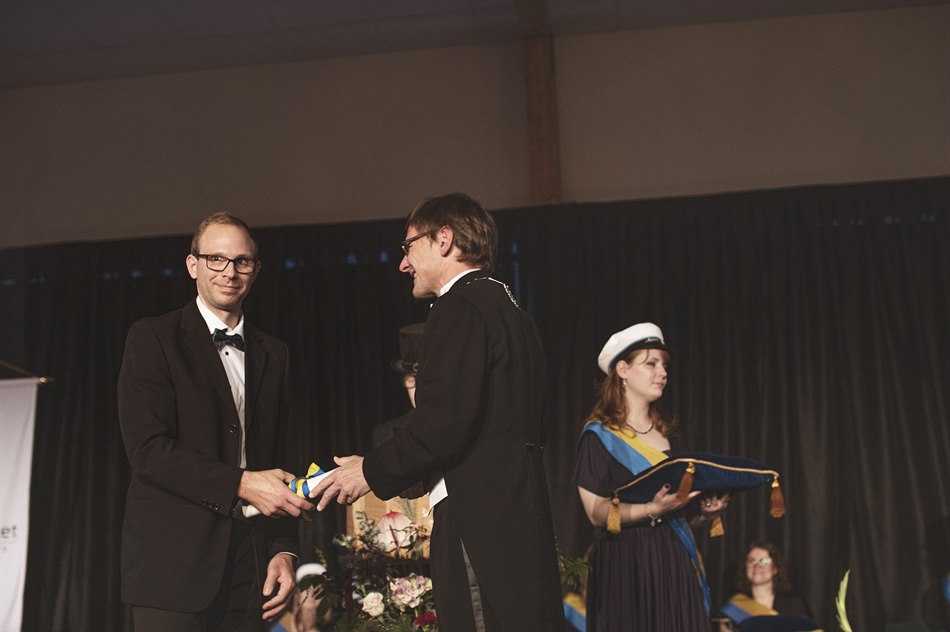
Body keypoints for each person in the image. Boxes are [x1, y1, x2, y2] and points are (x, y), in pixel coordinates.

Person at [310, 192, 565, 631]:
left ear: (443, 239)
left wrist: (368, 471)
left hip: (477, 522)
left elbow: (442, 426)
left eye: (408, 246)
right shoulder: (514, 312)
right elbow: (493, 426)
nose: (402, 264)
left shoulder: (456, 307)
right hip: (518, 516)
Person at [118, 212, 314, 631]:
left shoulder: (275, 353)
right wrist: (241, 483)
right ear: (193, 265)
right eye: (216, 259)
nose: (229, 271)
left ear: (256, 270)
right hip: (171, 567)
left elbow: (284, 459)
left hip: (252, 567)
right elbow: (148, 451)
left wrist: (284, 550)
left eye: (242, 261)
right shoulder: (153, 337)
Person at [574, 322, 729, 632]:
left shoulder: (671, 436)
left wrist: (704, 514)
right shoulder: (598, 437)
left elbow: (680, 511)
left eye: (664, 366)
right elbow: (596, 512)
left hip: (672, 558)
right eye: (651, 364)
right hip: (624, 562)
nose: (662, 373)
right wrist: (651, 509)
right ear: (623, 370)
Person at [719, 541, 821, 632]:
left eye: (764, 561)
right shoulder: (734, 608)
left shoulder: (795, 604)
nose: (757, 566)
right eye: (752, 561)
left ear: (775, 568)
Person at [371, 322, 424, 447]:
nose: (418, 390)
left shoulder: (465, 431)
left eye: (425, 380)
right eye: (411, 379)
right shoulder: (385, 435)